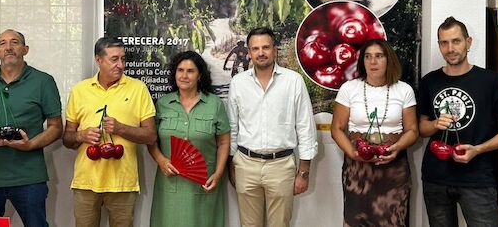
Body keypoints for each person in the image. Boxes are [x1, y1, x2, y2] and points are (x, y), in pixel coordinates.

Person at [418, 16, 498, 226]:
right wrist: (435, 123)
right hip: (436, 178)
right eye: (444, 43)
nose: (450, 49)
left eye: (456, 41)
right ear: (439, 45)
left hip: (477, 178)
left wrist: (478, 149)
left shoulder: (489, 81)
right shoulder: (429, 81)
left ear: (468, 42)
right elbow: (422, 128)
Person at [0, 29, 63, 227]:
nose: (9, 47)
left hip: (29, 176)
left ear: (25, 49)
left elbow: (56, 127)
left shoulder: (43, 81)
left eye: (14, 42)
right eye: (2, 43)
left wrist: (30, 145)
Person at [227, 27, 318, 227]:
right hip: (246, 165)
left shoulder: (293, 81)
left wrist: (304, 172)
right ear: (249, 53)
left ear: (275, 50)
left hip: (281, 166)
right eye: (255, 48)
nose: (261, 53)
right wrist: (231, 166)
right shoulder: (238, 83)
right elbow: (232, 127)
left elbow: (305, 127)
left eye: (266, 47)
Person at [63, 37, 156, 227]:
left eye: (123, 59)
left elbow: (151, 136)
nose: (120, 65)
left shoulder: (138, 89)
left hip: (123, 183)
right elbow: (67, 138)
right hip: (86, 182)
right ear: (98, 60)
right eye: (114, 59)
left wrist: (121, 128)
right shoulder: (80, 90)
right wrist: (81, 135)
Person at [330, 39, 418, 227]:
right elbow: (336, 128)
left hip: (393, 168)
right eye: (368, 57)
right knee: (356, 220)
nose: (373, 62)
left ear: (388, 59)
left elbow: (412, 130)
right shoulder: (349, 88)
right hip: (358, 170)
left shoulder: (404, 90)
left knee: (393, 221)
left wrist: (397, 148)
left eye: (379, 56)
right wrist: (352, 153)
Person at [148, 51, 230, 227]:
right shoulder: (163, 104)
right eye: (180, 70)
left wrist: (218, 173)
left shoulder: (214, 104)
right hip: (170, 184)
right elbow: (151, 139)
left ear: (199, 75)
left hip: (204, 183)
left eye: (190, 71)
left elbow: (224, 142)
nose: (184, 76)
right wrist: (161, 160)